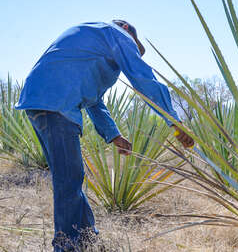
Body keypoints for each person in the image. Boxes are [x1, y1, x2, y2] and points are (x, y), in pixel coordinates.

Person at [16, 19, 194, 251]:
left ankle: (89, 237)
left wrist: (114, 135)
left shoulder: (92, 41)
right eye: (134, 51)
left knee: (70, 177)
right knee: (68, 180)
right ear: (128, 31)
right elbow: (142, 78)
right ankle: (66, 246)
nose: (131, 57)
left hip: (39, 99)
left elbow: (95, 101)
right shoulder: (116, 34)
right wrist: (173, 120)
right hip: (57, 103)